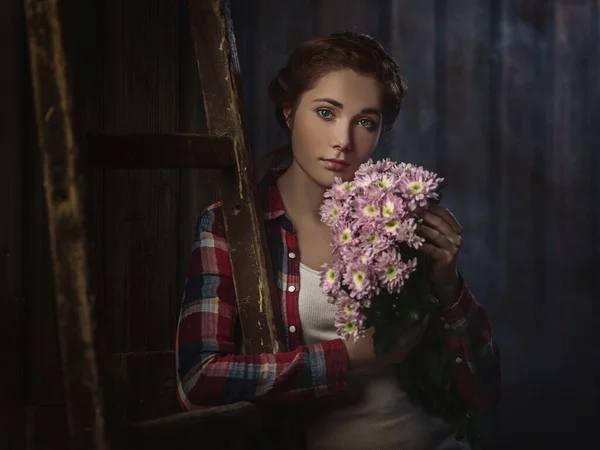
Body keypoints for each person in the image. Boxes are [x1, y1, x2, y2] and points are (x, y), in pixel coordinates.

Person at [176, 31, 502, 450]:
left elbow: (485, 394)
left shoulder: (399, 216)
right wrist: (348, 357)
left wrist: (448, 286)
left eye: (365, 122)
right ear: (290, 111)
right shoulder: (231, 227)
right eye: (326, 112)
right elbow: (197, 383)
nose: (343, 141)